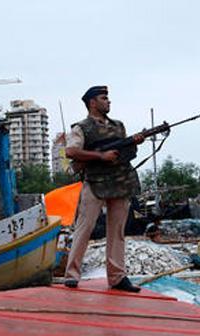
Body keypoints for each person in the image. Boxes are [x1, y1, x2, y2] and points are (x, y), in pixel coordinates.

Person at [62, 86, 144, 292]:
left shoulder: (118, 126)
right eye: (103, 98)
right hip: (96, 182)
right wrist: (100, 156)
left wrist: (134, 143)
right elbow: (71, 151)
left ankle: (117, 277)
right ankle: (72, 275)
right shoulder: (82, 128)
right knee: (84, 228)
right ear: (92, 102)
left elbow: (127, 154)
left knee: (117, 232)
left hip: (120, 180)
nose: (108, 101)